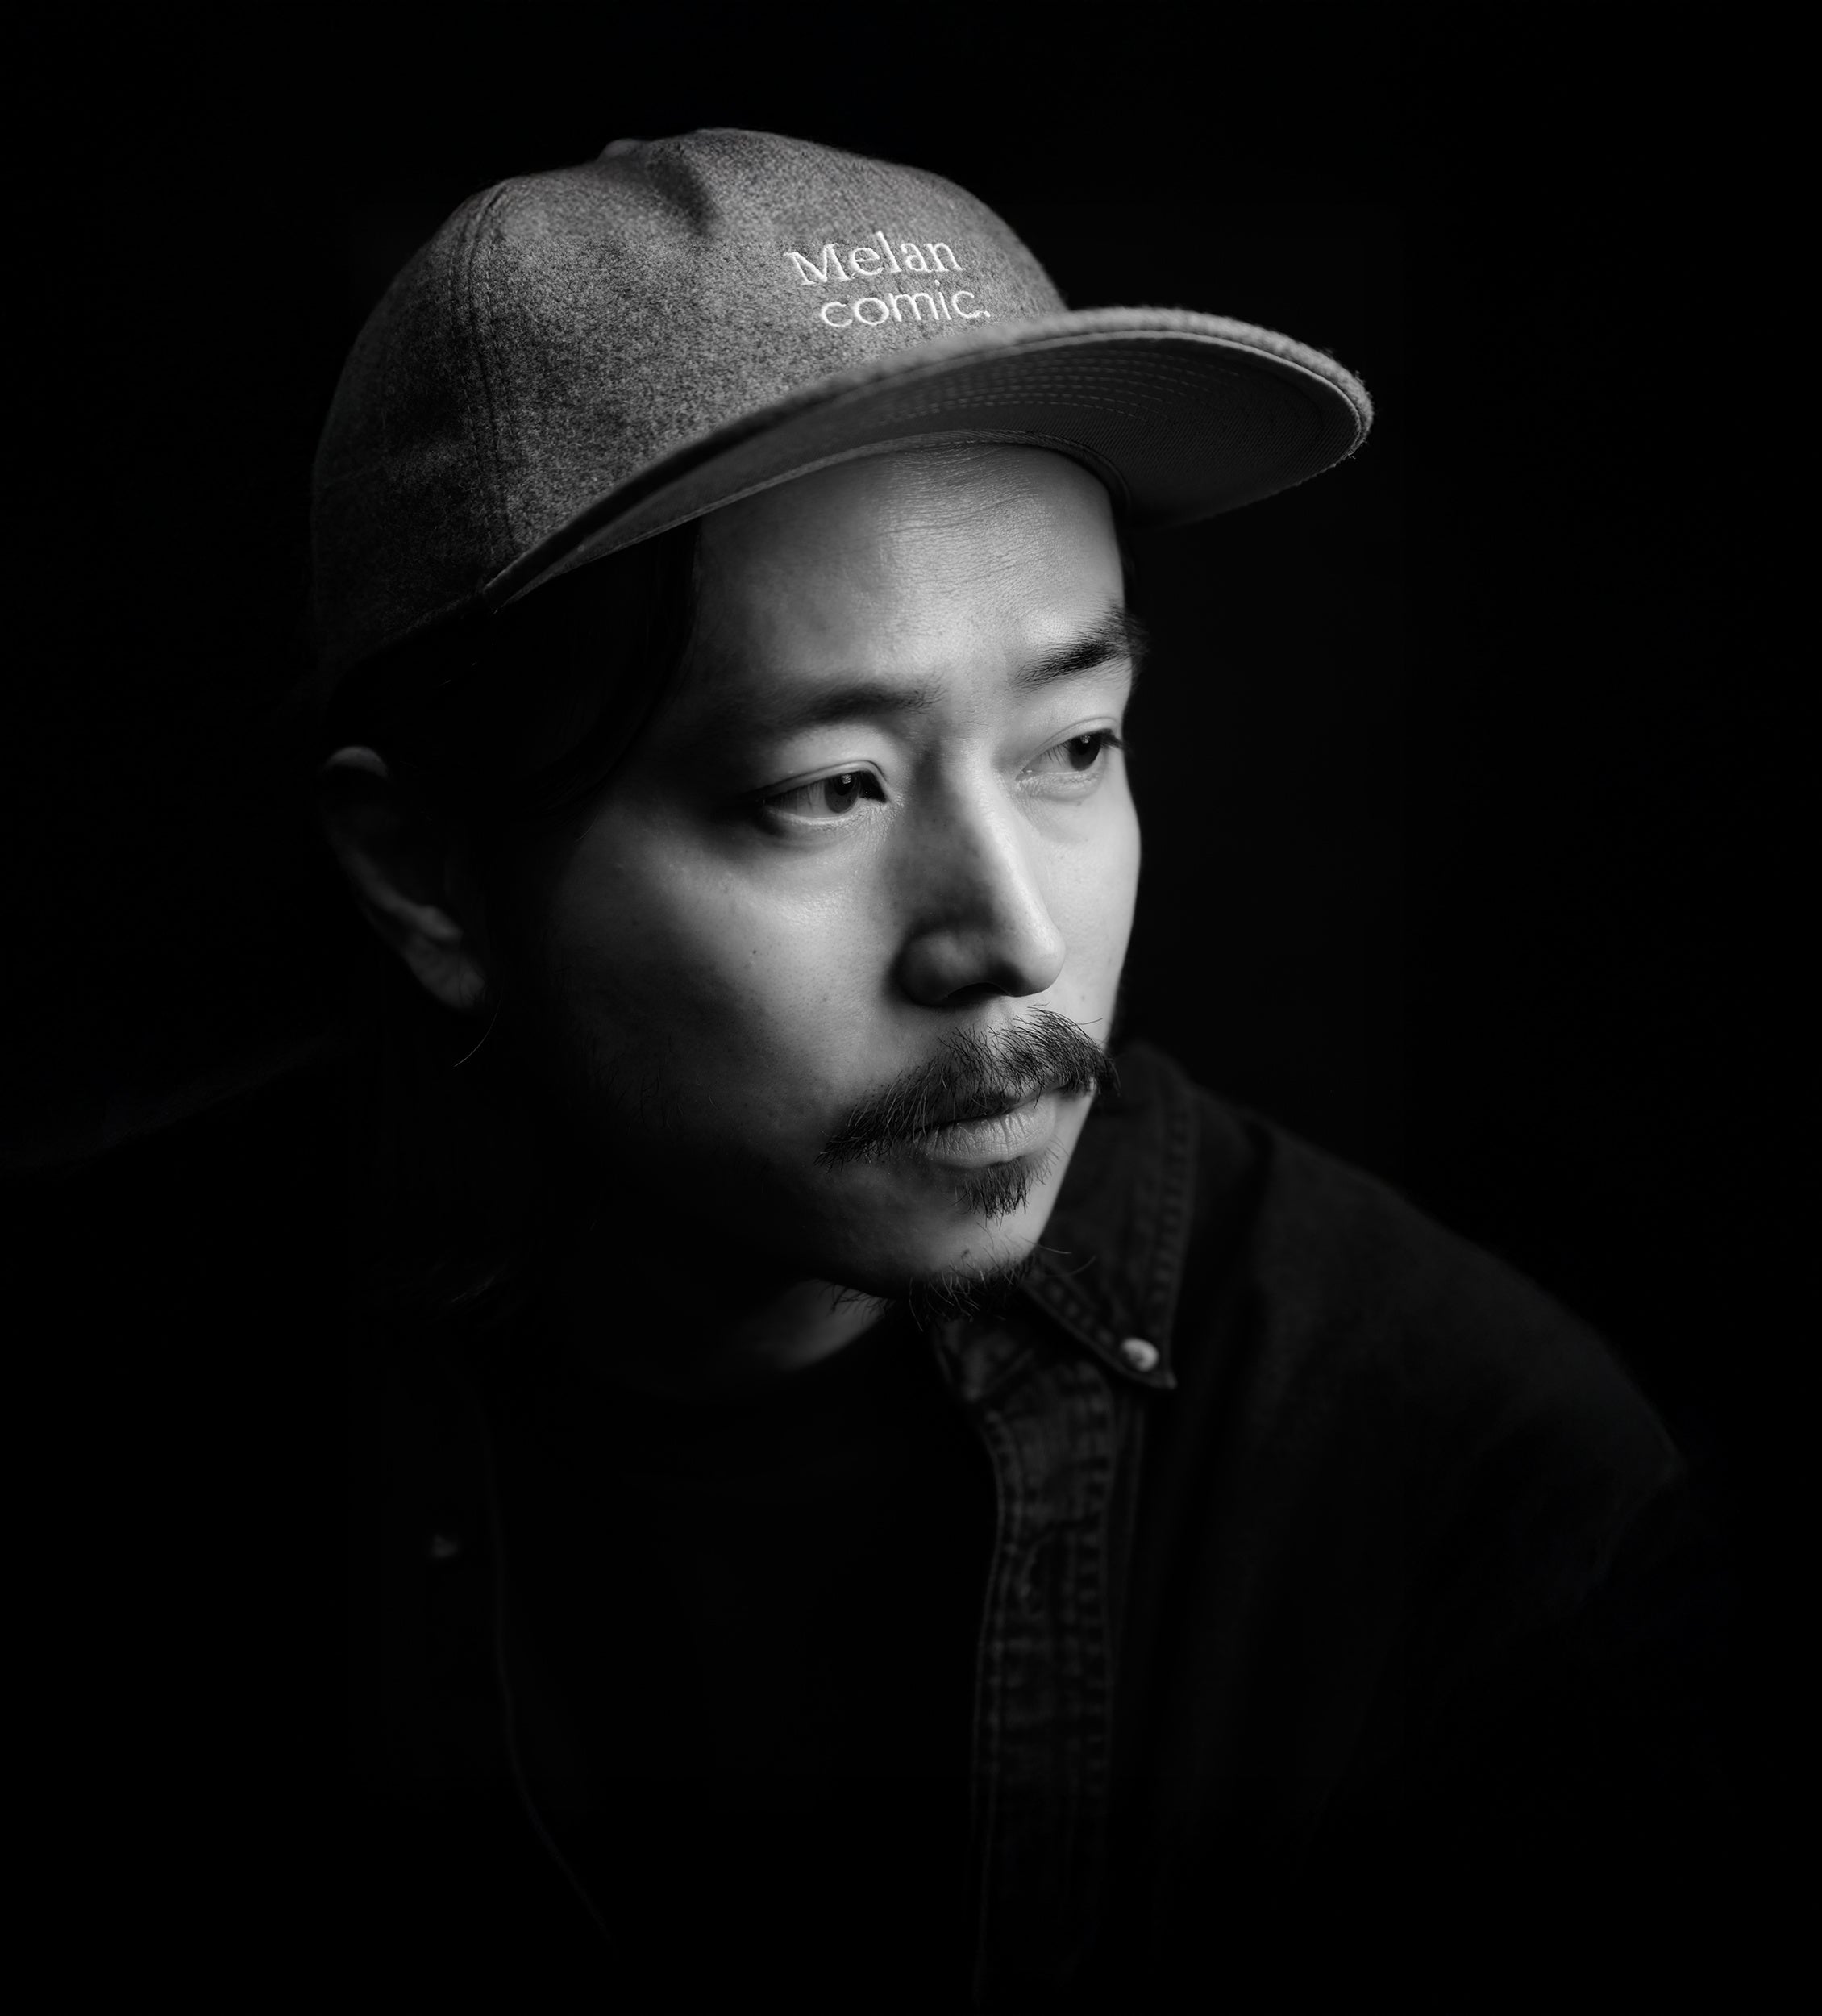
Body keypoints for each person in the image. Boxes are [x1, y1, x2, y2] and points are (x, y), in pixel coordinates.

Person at [317, 131, 1725, 2010]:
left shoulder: (1465, 1482)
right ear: (427, 880)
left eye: (1072, 743)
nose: (1010, 934)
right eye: (827, 786)